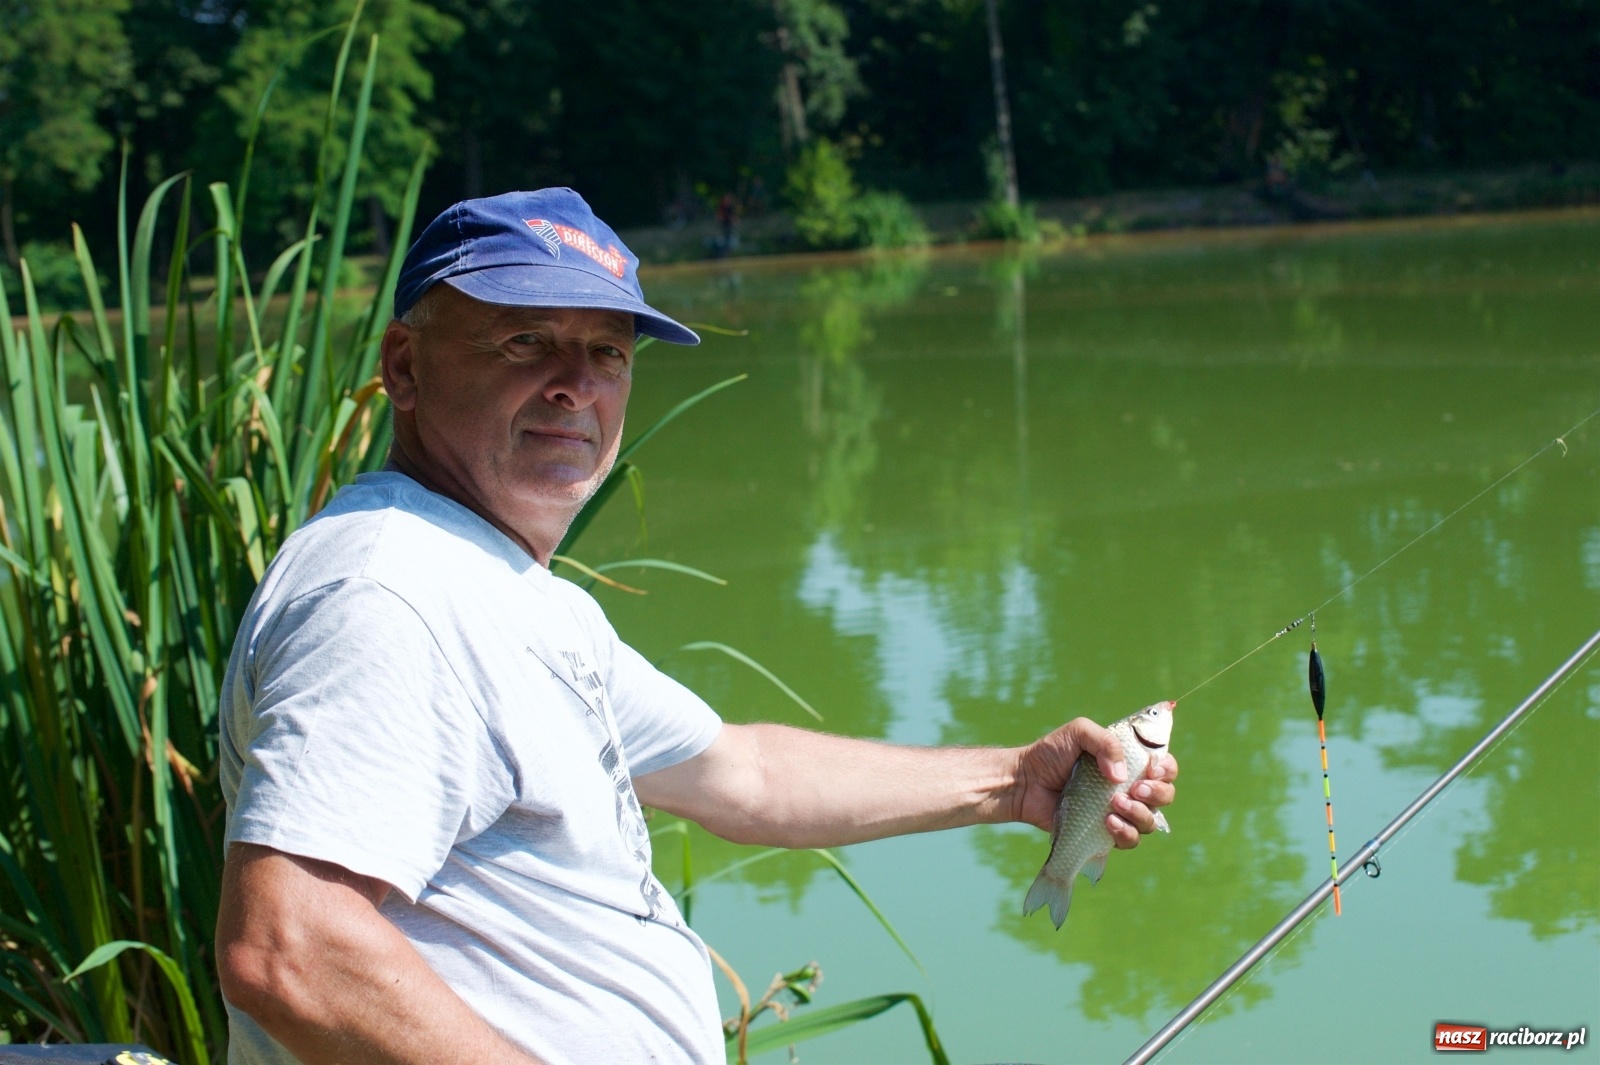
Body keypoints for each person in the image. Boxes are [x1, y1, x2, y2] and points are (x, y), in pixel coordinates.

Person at [213, 188, 1179, 1065]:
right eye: (525, 342)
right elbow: (289, 944)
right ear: (404, 368)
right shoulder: (392, 593)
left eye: (607, 353)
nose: (573, 384)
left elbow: (743, 776)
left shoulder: (505, 588)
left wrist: (1017, 783)